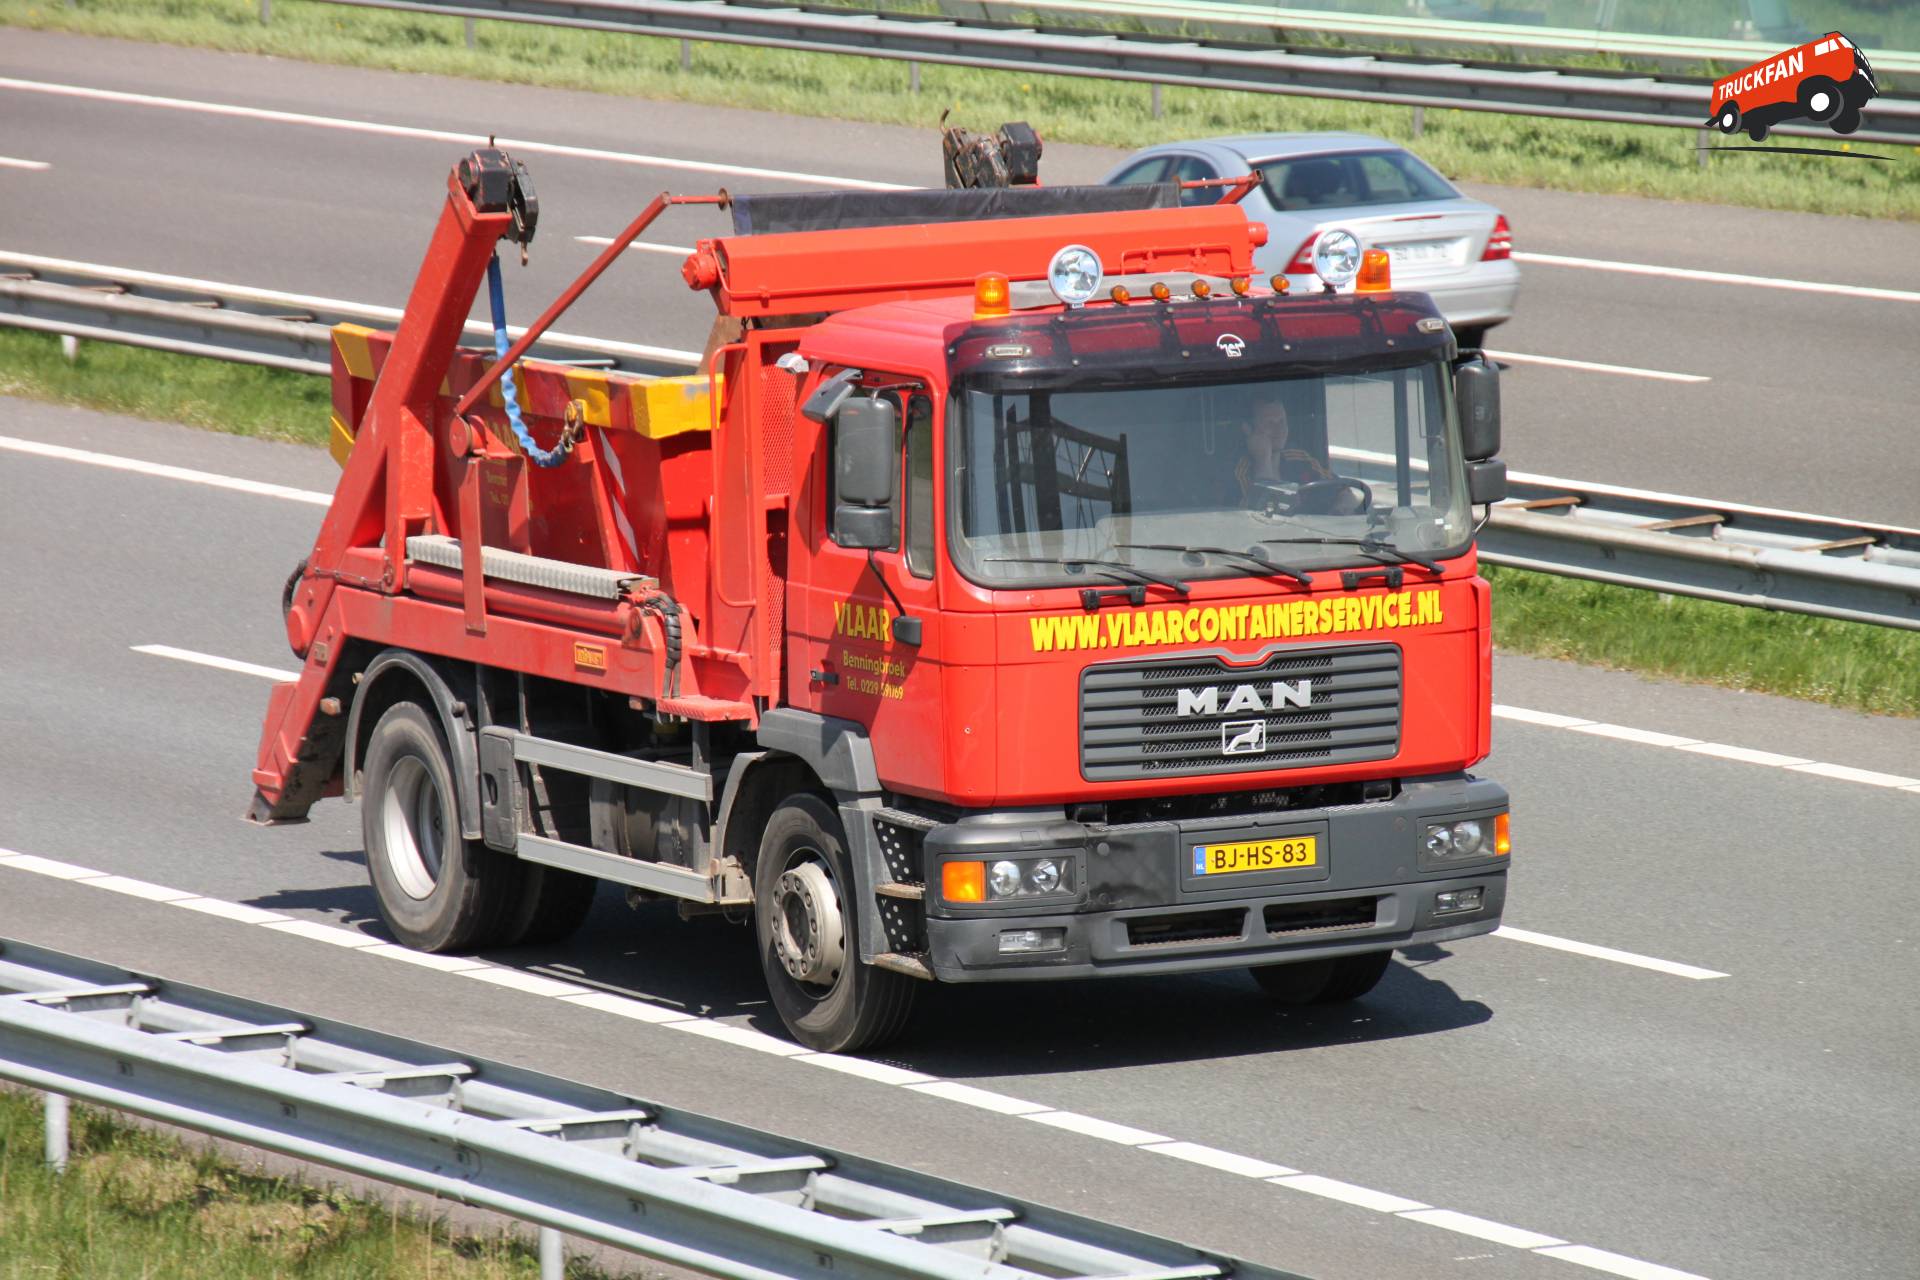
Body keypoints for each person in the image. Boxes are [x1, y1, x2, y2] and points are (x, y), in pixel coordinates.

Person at [1235, 400, 1336, 504]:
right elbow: (1258, 514)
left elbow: (1338, 486)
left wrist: (1343, 500)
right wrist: (1263, 461)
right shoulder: (1240, 472)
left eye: (1282, 421)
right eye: (1270, 423)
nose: (1280, 429)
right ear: (1247, 429)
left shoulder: (1300, 458)